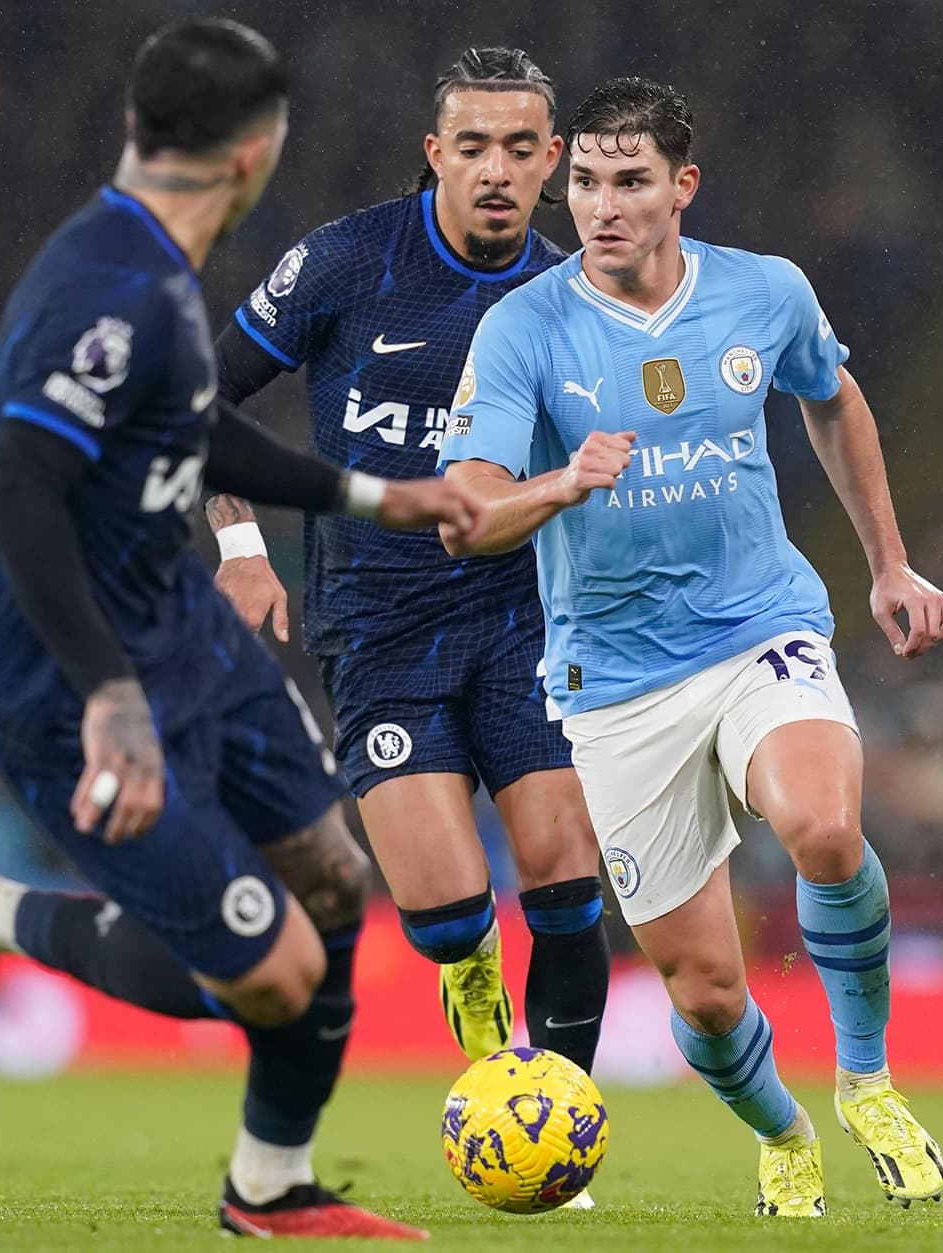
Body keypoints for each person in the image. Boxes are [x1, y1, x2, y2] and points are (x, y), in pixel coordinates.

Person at [0, 19, 483, 1240]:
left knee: (327, 875)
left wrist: (373, 494)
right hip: (64, 675)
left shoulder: (153, 258)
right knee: (274, 973)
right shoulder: (102, 287)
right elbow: (18, 489)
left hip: (175, 630)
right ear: (258, 152)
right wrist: (106, 691)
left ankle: (271, 1188)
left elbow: (194, 432)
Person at [439, 77, 943, 1217]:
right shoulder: (524, 325)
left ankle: (866, 1077)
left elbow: (832, 398)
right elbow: (467, 503)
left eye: (630, 182)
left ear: (683, 186)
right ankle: (782, 1130)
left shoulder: (763, 292)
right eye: (584, 181)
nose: (601, 205)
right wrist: (559, 480)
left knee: (822, 824)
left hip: (756, 623)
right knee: (707, 992)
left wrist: (885, 561)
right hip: (614, 682)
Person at [202, 49, 610, 1080]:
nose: (495, 169)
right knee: (449, 920)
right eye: (471, 146)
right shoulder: (346, 263)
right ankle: (493, 1070)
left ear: (551, 161)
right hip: (377, 630)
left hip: (520, 618)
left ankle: (551, 1118)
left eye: (519, 148)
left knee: (566, 885)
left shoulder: (571, 300)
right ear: (434, 154)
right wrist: (242, 547)